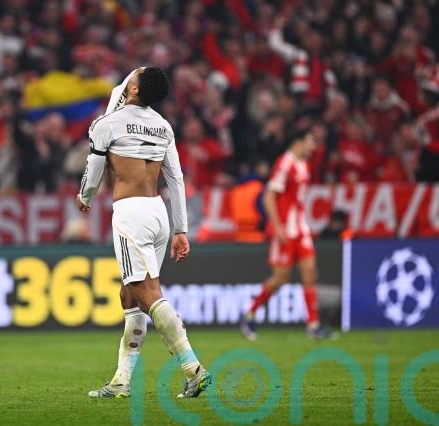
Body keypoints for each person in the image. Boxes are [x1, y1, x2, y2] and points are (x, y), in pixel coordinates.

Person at [77, 67, 211, 399]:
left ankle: (193, 369)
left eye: (134, 76)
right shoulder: (163, 125)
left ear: (133, 89)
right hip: (158, 212)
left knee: (147, 292)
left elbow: (94, 170)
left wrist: (85, 196)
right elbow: (176, 179)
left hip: (130, 213)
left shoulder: (107, 124)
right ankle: (121, 381)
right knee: (130, 295)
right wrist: (181, 229)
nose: (130, 76)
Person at [240, 123, 334, 340]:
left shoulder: (304, 164)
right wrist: (278, 226)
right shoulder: (285, 163)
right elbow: (269, 196)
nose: (313, 146)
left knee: (310, 273)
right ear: (298, 142)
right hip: (285, 231)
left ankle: (313, 325)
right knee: (281, 278)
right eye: (310, 142)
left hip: (301, 229)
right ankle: (250, 313)